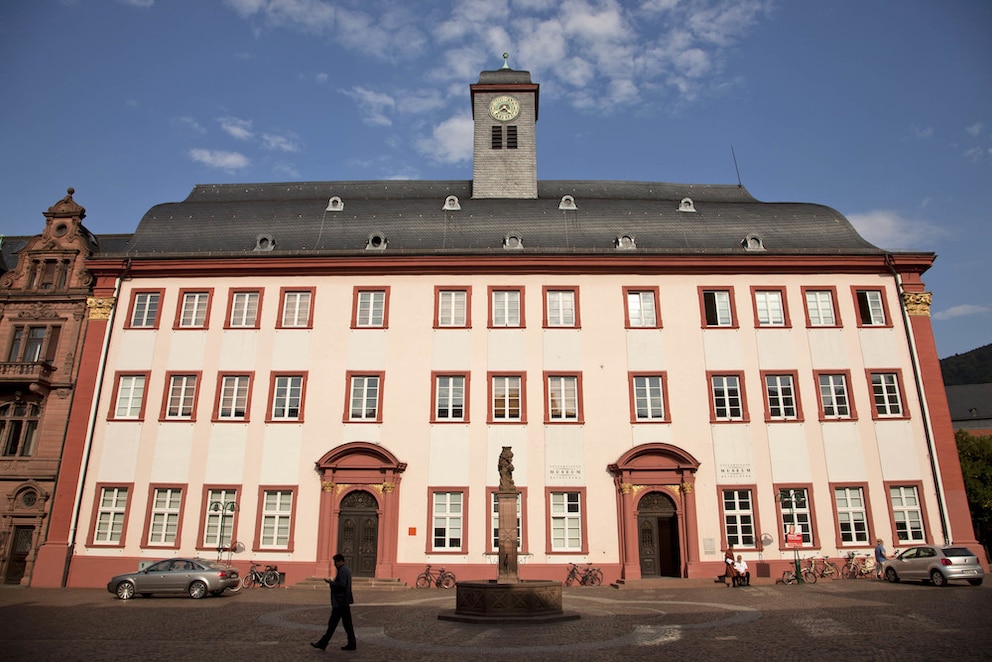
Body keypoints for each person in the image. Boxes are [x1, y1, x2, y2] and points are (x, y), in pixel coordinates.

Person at [311, 553, 357, 652]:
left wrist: (331, 583)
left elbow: (342, 585)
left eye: (336, 562)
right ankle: (351, 644)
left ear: (340, 561)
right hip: (344, 602)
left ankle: (323, 643)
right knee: (347, 624)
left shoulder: (343, 571)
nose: (335, 564)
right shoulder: (346, 570)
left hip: (340, 602)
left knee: (333, 625)